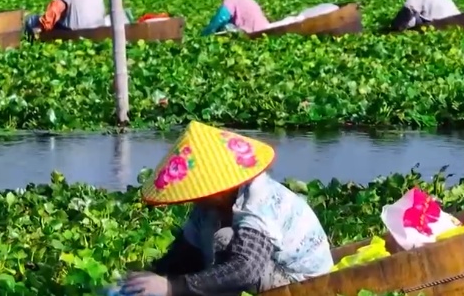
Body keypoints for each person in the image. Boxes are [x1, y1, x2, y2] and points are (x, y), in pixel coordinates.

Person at [117, 121, 333, 296]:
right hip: (265, 271)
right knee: (207, 239)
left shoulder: (257, 199)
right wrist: (151, 278)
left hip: (303, 282)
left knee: (224, 239)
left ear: (219, 184)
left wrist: (173, 287)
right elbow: (186, 253)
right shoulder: (207, 207)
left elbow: (245, 269)